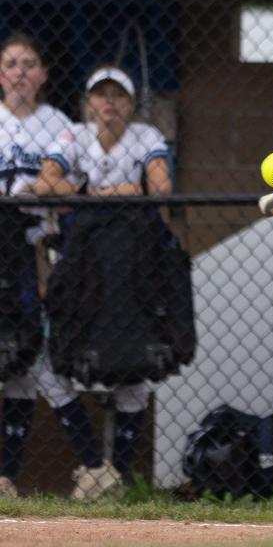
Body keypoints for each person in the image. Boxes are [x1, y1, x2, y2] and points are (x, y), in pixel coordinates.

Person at [33, 64, 173, 499]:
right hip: (84, 269)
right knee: (52, 367)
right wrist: (112, 192)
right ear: (89, 102)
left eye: (117, 96)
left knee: (138, 372)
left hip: (132, 269)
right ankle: (94, 465)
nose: (108, 103)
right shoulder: (74, 135)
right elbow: (44, 185)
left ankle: (116, 476)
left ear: (130, 104)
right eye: (100, 95)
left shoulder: (145, 136)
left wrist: (88, 194)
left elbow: (161, 187)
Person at [0, 32, 76, 498]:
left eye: (30, 63)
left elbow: (70, 192)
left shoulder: (58, 124)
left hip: (35, 252)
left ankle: (6, 477)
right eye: (11, 63)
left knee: (28, 361)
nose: (21, 72)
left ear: (44, 74)